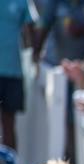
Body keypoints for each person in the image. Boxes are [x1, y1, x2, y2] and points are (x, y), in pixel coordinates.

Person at [0, 0, 38, 150]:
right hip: (12, 71)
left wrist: (35, 57)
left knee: (9, 122)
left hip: (14, 70)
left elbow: (30, 28)